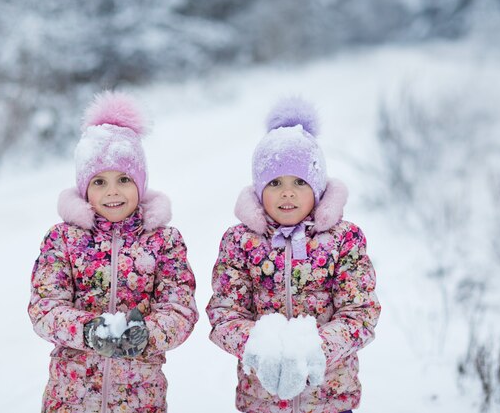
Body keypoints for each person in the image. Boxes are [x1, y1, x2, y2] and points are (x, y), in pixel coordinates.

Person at [206, 97, 381, 413]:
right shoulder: (240, 241)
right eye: (275, 183)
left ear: (316, 186)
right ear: (260, 189)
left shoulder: (343, 239)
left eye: (300, 182)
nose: (287, 192)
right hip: (262, 399)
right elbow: (224, 313)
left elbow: (361, 313)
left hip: (329, 397)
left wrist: (314, 349)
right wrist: (261, 349)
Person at [29, 91, 198, 413]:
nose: (112, 192)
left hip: (139, 395)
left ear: (140, 183)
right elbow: (45, 308)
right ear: (84, 187)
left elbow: (180, 309)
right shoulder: (63, 239)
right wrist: (90, 331)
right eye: (99, 182)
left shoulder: (164, 241)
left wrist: (145, 333)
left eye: (124, 179)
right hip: (71, 396)